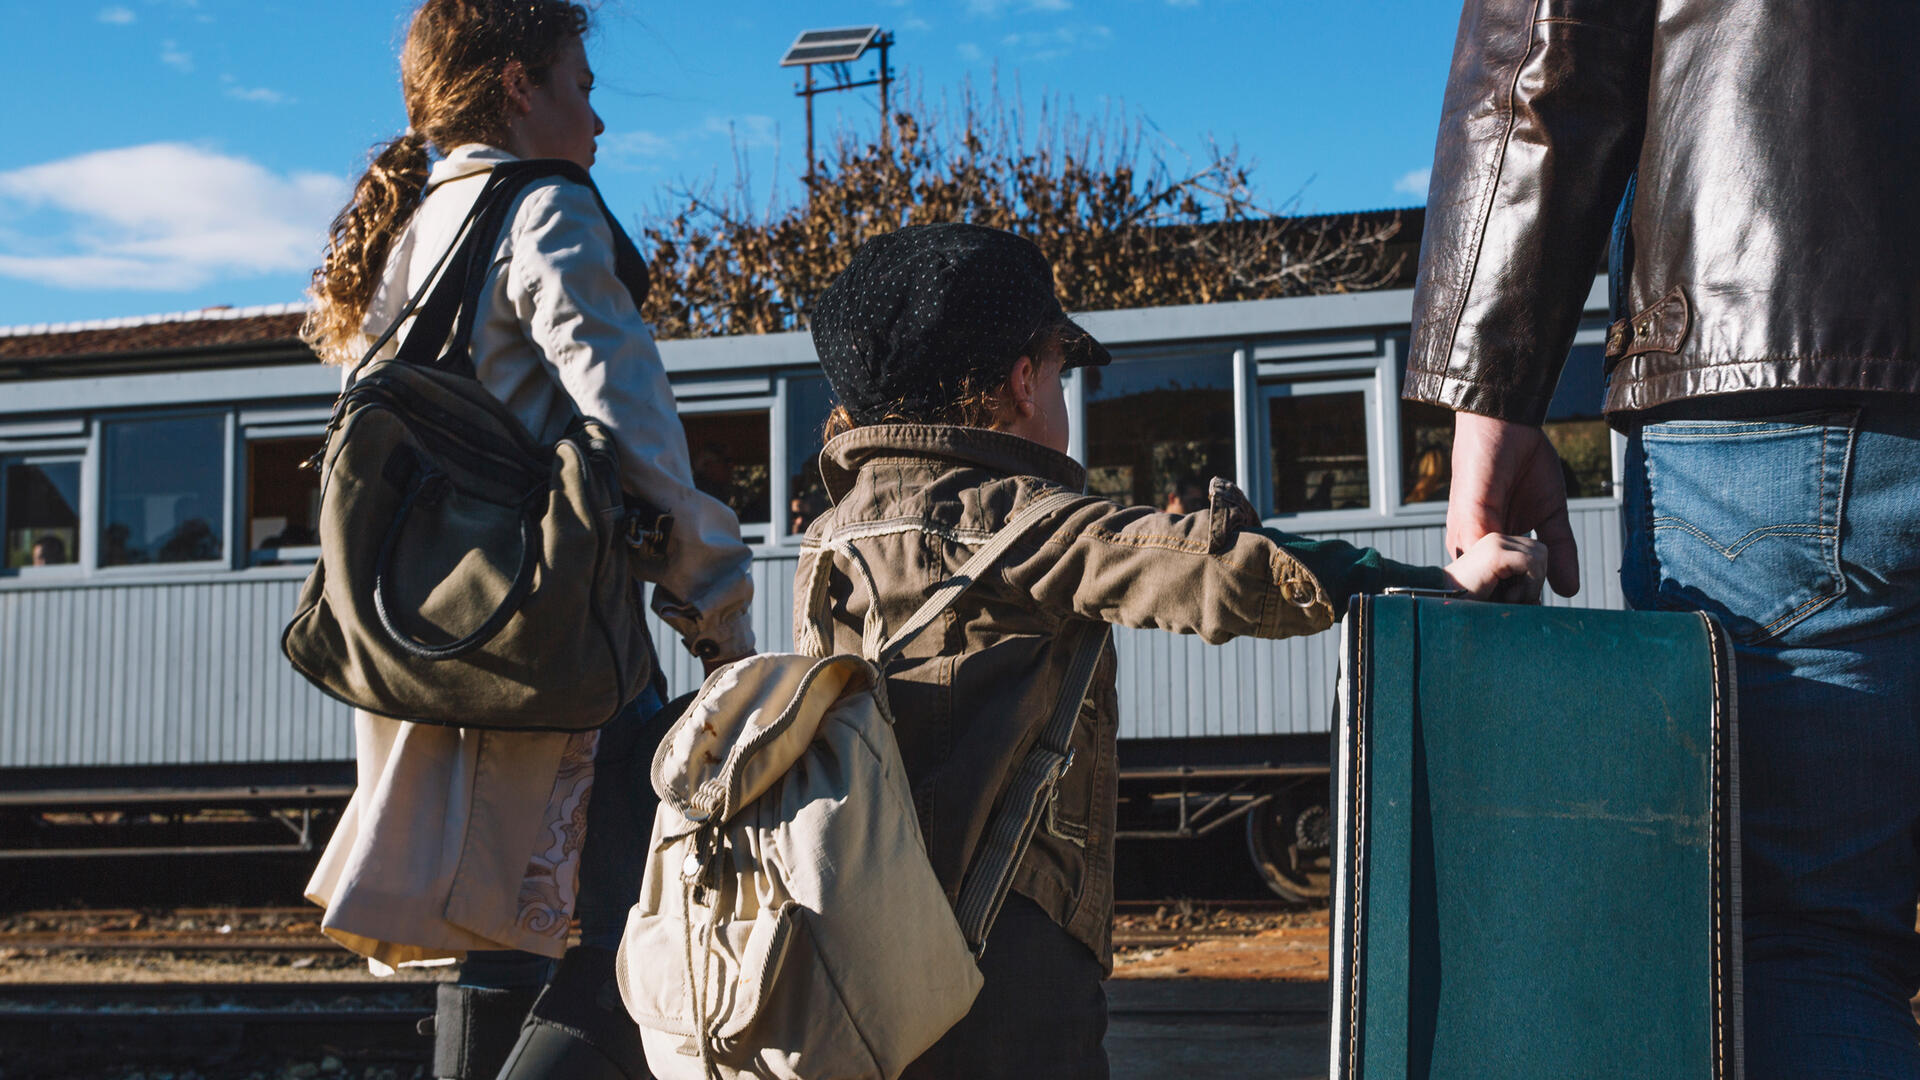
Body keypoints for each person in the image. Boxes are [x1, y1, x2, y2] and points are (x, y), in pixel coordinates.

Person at [802, 223, 1546, 1079]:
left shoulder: (831, 537)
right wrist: (1439, 580)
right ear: (1020, 383)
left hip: (859, 948)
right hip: (1002, 960)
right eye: (1058, 370)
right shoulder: (1019, 525)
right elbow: (1214, 571)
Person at [1402, 3, 1920, 1075]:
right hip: (1796, 374)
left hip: (1783, 360)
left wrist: (1494, 402)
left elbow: (1547, 48)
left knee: (1800, 942)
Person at [296, 3, 755, 1078]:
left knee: (499, 950)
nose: (597, 120)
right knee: (621, 959)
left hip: (438, 645)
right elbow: (630, 423)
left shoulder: (411, 232)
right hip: (554, 651)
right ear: (518, 86)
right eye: (582, 87)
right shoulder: (546, 209)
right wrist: (715, 603)